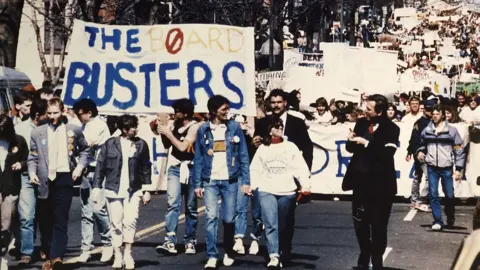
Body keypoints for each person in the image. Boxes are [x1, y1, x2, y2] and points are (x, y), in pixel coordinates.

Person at [27, 98, 90, 269]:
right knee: (46, 220)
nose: (52, 116)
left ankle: (57, 257)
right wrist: (32, 172)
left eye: (56, 113)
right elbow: (32, 156)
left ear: (62, 111)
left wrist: (79, 167)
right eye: (49, 113)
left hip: (64, 177)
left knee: (61, 219)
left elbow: (85, 150)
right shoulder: (37, 132)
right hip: (44, 179)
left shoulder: (73, 130)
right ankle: (47, 253)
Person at [342, 94, 400, 270]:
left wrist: (366, 143)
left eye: (369, 108)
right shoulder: (361, 124)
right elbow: (351, 148)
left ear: (380, 111)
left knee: (379, 225)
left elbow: (386, 154)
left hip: (381, 186)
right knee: (359, 222)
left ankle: (376, 259)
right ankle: (364, 252)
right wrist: (351, 140)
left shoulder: (391, 129)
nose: (365, 111)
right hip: (361, 184)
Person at [192, 95, 250, 269]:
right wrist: (197, 184)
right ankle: (212, 255)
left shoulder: (234, 128)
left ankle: (228, 252)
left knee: (229, 218)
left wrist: (245, 181)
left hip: (230, 180)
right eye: (223, 109)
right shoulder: (203, 129)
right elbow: (199, 158)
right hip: (210, 180)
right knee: (211, 217)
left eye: (227, 108)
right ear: (213, 111)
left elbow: (243, 155)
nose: (227, 112)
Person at [249, 117, 311, 268]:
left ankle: (284, 250)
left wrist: (305, 185)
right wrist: (252, 186)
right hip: (267, 190)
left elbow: (300, 168)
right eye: (276, 127)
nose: (280, 129)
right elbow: (255, 169)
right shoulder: (263, 148)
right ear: (270, 130)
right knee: (270, 223)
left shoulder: (290, 147)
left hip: (287, 190)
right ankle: (274, 255)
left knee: (284, 224)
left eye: (281, 126)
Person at [93, 115, 152, 270]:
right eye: (133, 127)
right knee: (116, 223)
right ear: (124, 129)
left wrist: (146, 189)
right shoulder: (110, 144)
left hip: (134, 189)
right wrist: (96, 187)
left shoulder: (141, 144)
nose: (136, 129)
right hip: (113, 189)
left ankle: (128, 254)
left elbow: (146, 167)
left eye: (136, 126)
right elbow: (100, 166)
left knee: (130, 221)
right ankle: (117, 254)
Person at [153, 99, 199, 255]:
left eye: (177, 111)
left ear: (185, 113)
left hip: (191, 168)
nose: (174, 114)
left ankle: (190, 239)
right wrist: (162, 131)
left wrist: (168, 132)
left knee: (191, 206)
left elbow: (182, 146)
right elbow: (168, 145)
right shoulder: (175, 125)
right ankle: (170, 240)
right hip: (175, 168)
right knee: (172, 203)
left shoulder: (195, 127)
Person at [72, 99, 113, 263]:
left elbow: (86, 143)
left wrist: (71, 139)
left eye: (79, 113)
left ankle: (108, 243)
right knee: (86, 212)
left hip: (99, 171)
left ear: (89, 112)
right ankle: (86, 248)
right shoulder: (82, 127)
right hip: (86, 170)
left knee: (98, 209)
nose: (78, 116)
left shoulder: (99, 125)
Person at [417, 105, 464, 231]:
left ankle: (450, 215)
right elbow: (421, 144)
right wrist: (420, 152)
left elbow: (459, 150)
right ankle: (437, 220)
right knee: (433, 194)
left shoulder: (452, 131)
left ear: (442, 115)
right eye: (433, 114)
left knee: (449, 195)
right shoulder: (427, 130)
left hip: (447, 167)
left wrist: (458, 168)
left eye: (437, 114)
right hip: (432, 167)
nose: (435, 116)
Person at [14, 99, 48, 265]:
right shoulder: (19, 129)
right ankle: (26, 252)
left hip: (46, 177)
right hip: (25, 177)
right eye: (46, 114)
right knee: (26, 216)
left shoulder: (51, 128)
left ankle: (46, 248)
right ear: (37, 115)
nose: (49, 117)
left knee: (45, 216)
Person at [0, 114, 28, 269]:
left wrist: (21, 164)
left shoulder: (18, 141)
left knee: (6, 224)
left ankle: (3, 257)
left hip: (10, 187)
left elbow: (28, 158)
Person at [406, 100, 435, 212]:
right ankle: (420, 200)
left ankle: (414, 200)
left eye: (432, 109)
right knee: (429, 177)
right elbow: (414, 139)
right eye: (428, 109)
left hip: (428, 152)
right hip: (422, 153)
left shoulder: (433, 121)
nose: (430, 112)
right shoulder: (420, 123)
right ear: (424, 110)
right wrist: (411, 151)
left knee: (418, 176)